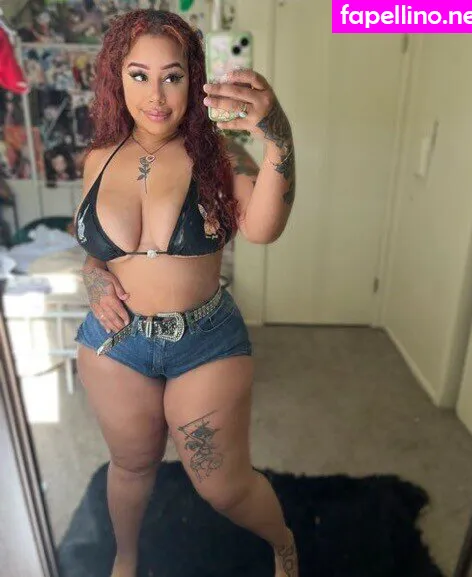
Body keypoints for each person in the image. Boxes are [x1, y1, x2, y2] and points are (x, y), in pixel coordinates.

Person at [73, 9, 297, 577]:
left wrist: (277, 135)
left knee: (223, 486)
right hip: (115, 343)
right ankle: (126, 556)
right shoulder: (97, 157)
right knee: (130, 466)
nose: (155, 95)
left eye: (172, 76)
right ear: (117, 76)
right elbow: (99, 250)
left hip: (204, 341)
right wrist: (92, 276)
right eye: (139, 75)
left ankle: (284, 544)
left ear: (193, 80)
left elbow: (264, 228)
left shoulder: (221, 154)